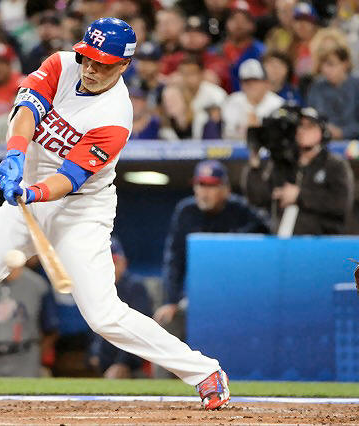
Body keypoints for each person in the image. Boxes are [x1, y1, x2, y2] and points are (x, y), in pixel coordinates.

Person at [0, 17, 230, 413]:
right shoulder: (61, 65)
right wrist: (15, 154)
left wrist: (33, 191)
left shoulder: (115, 117)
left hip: (81, 207)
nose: (91, 69)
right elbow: (26, 111)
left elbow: (69, 178)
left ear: (124, 65)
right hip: (28, 192)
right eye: (88, 58)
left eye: (103, 63)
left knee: (102, 315)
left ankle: (204, 371)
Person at [154, 160, 270, 333]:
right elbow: (174, 260)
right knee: (169, 323)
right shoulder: (186, 211)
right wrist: (171, 300)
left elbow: (267, 234)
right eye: (201, 185)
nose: (204, 192)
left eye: (212, 186)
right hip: (200, 294)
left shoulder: (240, 210)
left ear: (226, 190)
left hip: (238, 294)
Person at [242, 107, 354, 235]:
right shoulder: (285, 163)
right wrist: (254, 161)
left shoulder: (335, 165)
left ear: (322, 132)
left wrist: (300, 195)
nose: (302, 131)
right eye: (300, 126)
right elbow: (257, 198)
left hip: (322, 241)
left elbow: (341, 204)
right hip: (283, 240)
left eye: (309, 126)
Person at [0, 263, 59, 377]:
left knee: (25, 389)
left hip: (24, 356)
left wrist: (38, 355)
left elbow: (51, 328)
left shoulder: (37, 284)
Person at [89, 237, 152, 379]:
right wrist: (94, 354)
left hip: (133, 367)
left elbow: (139, 330)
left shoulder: (135, 287)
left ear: (124, 263)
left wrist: (123, 363)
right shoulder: (99, 288)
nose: (109, 269)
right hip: (105, 365)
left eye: (113, 263)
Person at [221, 58, 284, 140]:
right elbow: (226, 135)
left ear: (266, 83)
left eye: (255, 80)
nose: (251, 85)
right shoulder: (232, 101)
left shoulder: (278, 104)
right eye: (246, 81)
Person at [306, 46, 359, 140]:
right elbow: (310, 117)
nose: (325, 69)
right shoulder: (316, 87)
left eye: (331, 64)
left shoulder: (356, 86)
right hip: (322, 140)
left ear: (345, 64)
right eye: (322, 65)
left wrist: (342, 132)